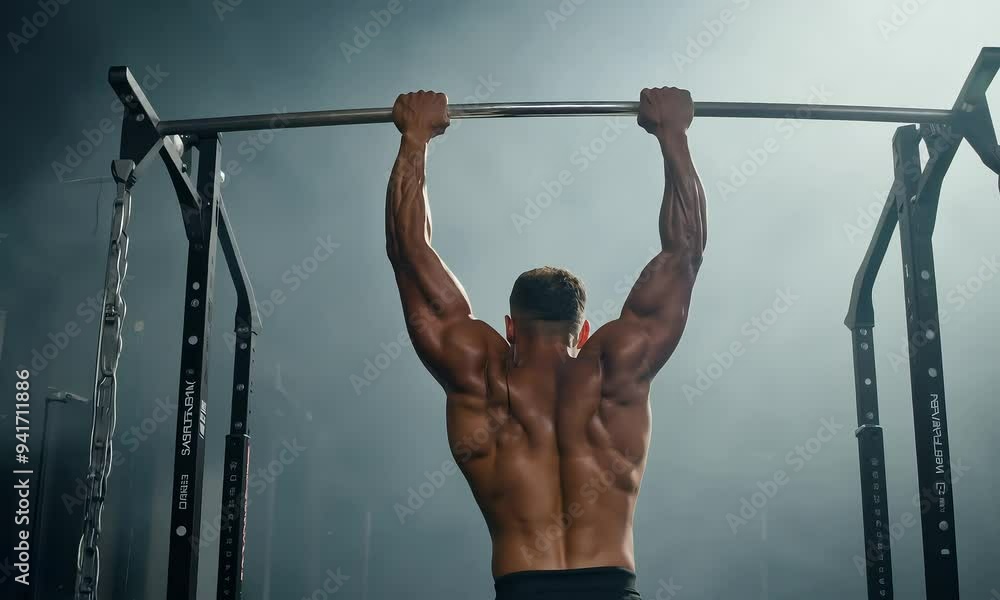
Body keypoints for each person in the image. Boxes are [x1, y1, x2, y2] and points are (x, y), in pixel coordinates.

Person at [385, 86, 705, 600]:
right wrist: (672, 134)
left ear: (510, 326)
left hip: (522, 588)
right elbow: (685, 250)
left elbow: (408, 252)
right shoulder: (617, 367)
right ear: (582, 330)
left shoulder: (480, 375)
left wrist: (415, 137)